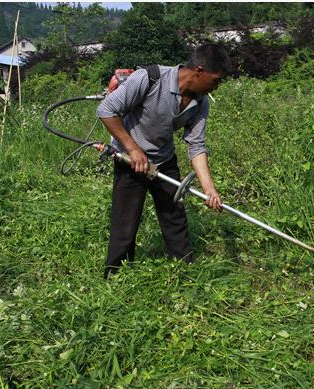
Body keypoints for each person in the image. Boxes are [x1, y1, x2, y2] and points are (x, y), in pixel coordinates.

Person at [97, 44, 231, 278]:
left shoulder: (200, 102)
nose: (216, 87)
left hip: (164, 160)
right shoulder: (150, 78)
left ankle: (184, 271)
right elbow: (106, 110)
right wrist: (133, 149)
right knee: (125, 223)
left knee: (174, 217)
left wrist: (209, 189)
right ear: (199, 71)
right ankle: (114, 276)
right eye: (216, 80)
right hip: (130, 159)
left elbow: (196, 145)